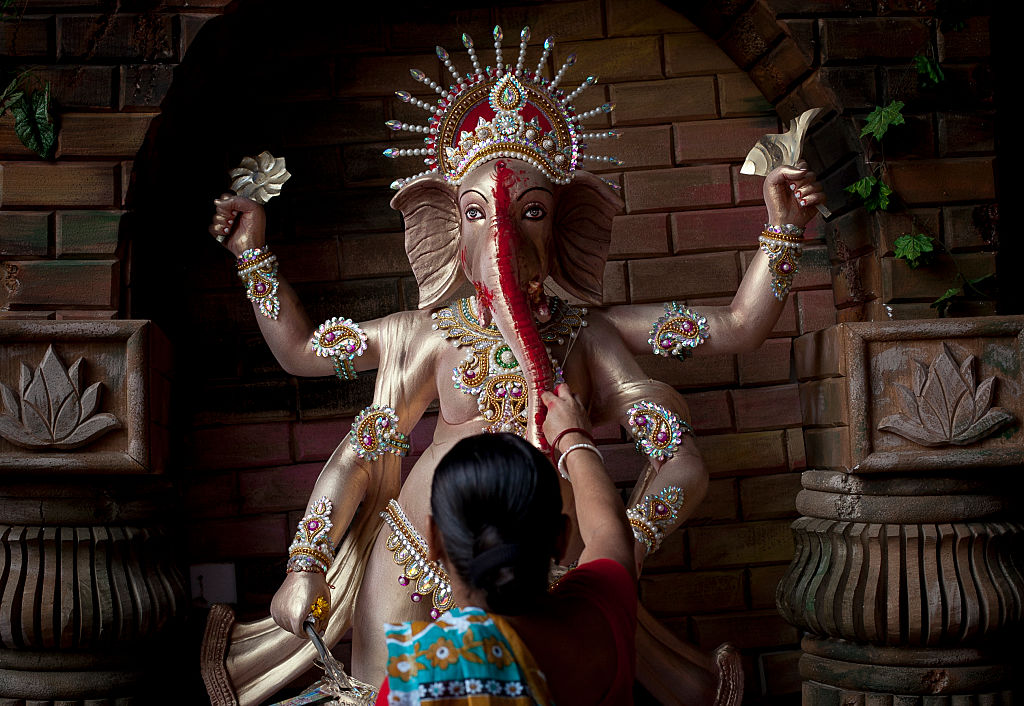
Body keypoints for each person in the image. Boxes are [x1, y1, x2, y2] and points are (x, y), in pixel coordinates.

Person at [374, 383, 637, 705]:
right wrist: (573, 435)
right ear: (561, 537)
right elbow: (607, 531)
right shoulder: (601, 613)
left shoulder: (421, 679)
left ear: (434, 538)